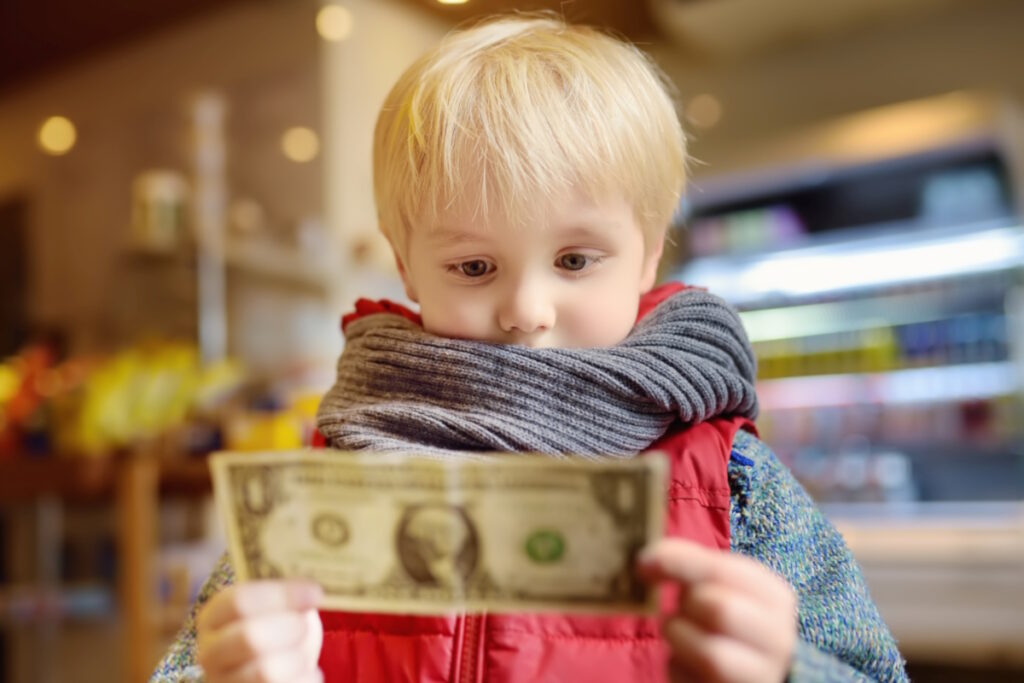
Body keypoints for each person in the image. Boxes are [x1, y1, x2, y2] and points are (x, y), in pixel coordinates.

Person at [151, 14, 908, 683]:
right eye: (474, 267)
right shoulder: (329, 476)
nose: (526, 311)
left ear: (648, 254)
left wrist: (785, 669)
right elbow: (191, 663)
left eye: (576, 260)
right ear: (407, 264)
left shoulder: (737, 480)